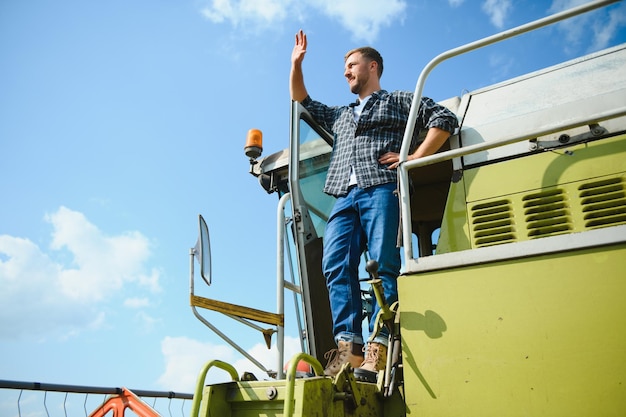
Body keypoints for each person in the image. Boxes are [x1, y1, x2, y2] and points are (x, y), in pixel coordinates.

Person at [290, 30, 458, 381]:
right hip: (343, 196)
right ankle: (349, 349)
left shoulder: (396, 100)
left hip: (381, 187)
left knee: (384, 262)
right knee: (335, 264)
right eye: (344, 67)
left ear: (372, 66)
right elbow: (302, 101)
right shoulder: (341, 114)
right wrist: (297, 64)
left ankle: (379, 347)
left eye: (351, 65)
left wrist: (412, 158)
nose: (346, 72)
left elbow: (443, 119)